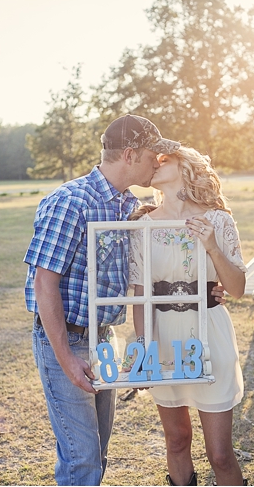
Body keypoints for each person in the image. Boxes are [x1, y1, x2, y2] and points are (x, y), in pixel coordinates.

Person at [23, 114, 226, 486]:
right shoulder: (71, 200)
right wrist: (66, 358)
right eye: (153, 156)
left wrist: (208, 287)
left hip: (102, 338)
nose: (157, 163)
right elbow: (43, 283)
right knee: (81, 459)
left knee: (96, 452)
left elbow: (146, 276)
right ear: (131, 154)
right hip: (66, 338)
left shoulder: (126, 205)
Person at [128, 147, 247, 486]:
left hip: (210, 335)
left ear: (186, 166)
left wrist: (211, 245)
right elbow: (141, 294)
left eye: (163, 159)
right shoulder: (143, 225)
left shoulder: (218, 219)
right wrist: (144, 350)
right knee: (177, 440)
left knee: (220, 454)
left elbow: (236, 288)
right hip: (163, 339)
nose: (155, 163)